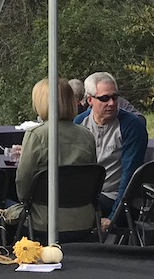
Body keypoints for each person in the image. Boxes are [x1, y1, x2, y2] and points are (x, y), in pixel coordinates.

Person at [15, 78, 97, 240]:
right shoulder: (87, 135)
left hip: (45, 221)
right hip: (84, 220)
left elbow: (23, 182)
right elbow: (91, 177)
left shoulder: (37, 135)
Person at [72, 71, 148, 229]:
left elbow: (130, 177)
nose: (112, 103)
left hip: (115, 198)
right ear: (90, 100)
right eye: (104, 98)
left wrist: (113, 217)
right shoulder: (79, 123)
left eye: (115, 97)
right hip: (86, 196)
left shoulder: (132, 126)